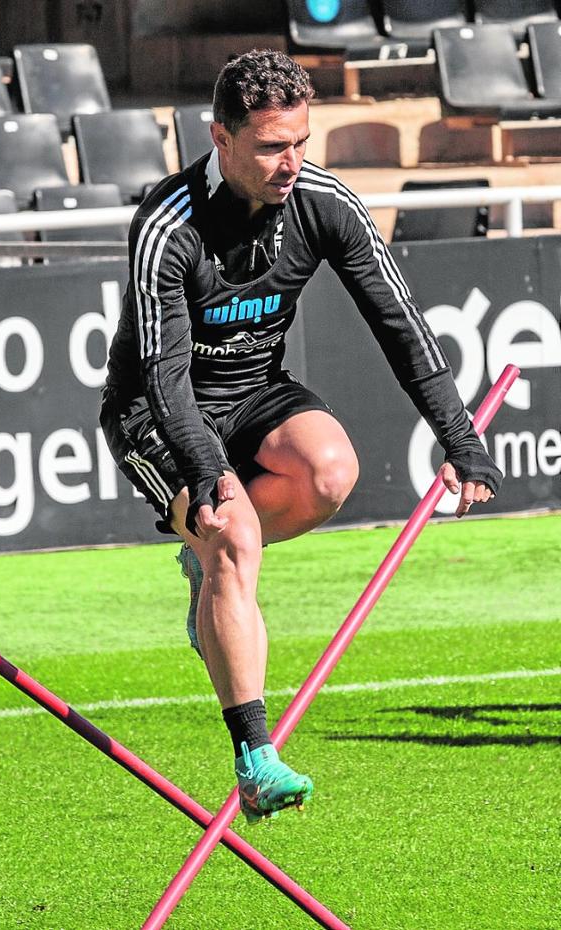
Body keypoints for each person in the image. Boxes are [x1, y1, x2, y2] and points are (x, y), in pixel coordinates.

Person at [100, 50, 500, 824]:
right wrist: (212, 483)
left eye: (302, 142)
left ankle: (211, 570)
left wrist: (462, 439)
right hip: (156, 412)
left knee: (329, 470)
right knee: (234, 535)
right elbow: (164, 378)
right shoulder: (167, 223)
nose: (292, 163)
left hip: (254, 393)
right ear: (220, 137)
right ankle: (255, 758)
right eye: (272, 147)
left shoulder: (322, 201)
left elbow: (401, 325)